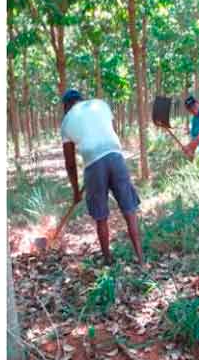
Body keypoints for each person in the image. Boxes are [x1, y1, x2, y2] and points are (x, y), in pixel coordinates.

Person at [60, 89, 144, 264]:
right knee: (129, 210)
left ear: (66, 106)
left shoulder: (67, 121)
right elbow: (106, 132)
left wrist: (76, 191)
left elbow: (70, 163)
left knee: (101, 215)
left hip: (93, 165)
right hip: (116, 156)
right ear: (81, 99)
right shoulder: (100, 105)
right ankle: (140, 257)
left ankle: (108, 259)